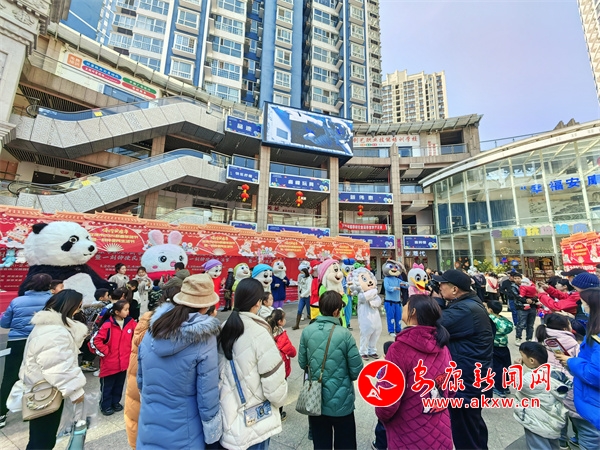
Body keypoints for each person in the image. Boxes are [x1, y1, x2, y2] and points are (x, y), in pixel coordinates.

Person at [137, 274, 223, 449]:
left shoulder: (154, 328)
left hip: (149, 421)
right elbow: (207, 394)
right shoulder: (204, 338)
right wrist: (213, 432)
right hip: (185, 427)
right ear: (206, 305)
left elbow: (141, 379)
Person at [376, 295, 453, 450]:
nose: (403, 306)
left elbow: (387, 401)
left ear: (413, 312)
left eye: (406, 304)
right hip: (440, 431)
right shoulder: (442, 346)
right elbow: (451, 388)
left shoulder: (398, 349)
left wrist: (383, 417)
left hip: (408, 434)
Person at [218, 278, 288, 450]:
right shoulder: (259, 332)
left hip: (227, 413)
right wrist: (280, 401)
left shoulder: (224, 327)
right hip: (255, 419)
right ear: (258, 302)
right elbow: (274, 382)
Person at [432, 269, 494, 450]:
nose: (439, 287)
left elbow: (434, 326)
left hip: (466, 382)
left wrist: (436, 301)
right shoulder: (469, 304)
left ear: (455, 289)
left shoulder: (465, 309)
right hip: (471, 378)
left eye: (442, 284)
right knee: (473, 427)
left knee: (465, 432)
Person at [19, 289, 87, 450]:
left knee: (40, 437)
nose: (79, 310)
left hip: (44, 388)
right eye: (78, 306)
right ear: (69, 306)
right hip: (46, 392)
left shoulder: (48, 326)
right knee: (43, 440)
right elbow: (57, 366)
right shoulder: (55, 331)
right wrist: (75, 390)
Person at [298, 291, 363, 449]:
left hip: (316, 401)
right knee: (345, 443)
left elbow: (302, 363)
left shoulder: (307, 331)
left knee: (321, 443)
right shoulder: (344, 334)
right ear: (336, 311)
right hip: (342, 402)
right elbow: (356, 370)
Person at [0, 273, 53, 427]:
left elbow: (4, 323)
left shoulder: (17, 301)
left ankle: (1, 412)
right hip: (43, 342)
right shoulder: (53, 301)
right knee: (40, 375)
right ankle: (36, 406)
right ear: (49, 285)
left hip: (18, 342)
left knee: (10, 376)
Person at [556, 288, 600, 449]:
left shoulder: (597, 338)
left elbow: (595, 374)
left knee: (590, 444)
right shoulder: (593, 331)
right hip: (592, 401)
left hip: (593, 405)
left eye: (583, 303)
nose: (582, 307)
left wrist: (571, 362)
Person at [514, 342, 569, 450]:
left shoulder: (532, 378)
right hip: (552, 420)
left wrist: (516, 367)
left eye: (522, 355)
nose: (521, 358)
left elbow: (517, 383)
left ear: (531, 360)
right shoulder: (552, 371)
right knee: (552, 445)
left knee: (537, 446)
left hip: (537, 422)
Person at [90, 300, 136, 415]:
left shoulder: (130, 323)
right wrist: (106, 352)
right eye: (125, 309)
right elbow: (96, 340)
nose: (128, 312)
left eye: (128, 309)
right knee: (107, 386)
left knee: (119, 385)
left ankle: (115, 402)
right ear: (117, 312)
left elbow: (137, 335)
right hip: (109, 364)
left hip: (124, 362)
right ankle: (105, 405)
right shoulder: (107, 325)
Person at [267, 309, 297, 422]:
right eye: (284, 319)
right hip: (281, 368)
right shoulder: (281, 335)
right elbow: (291, 351)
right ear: (280, 321)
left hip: (269, 366)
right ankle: (279, 414)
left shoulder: (267, 331)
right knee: (280, 392)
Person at [486, 299, 514, 397]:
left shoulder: (490, 319)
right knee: (505, 367)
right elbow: (509, 327)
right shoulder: (504, 319)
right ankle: (506, 386)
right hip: (504, 347)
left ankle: (499, 388)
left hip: (494, 347)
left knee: (497, 368)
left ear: (490, 310)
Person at [511, 273, 539, 344]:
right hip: (521, 307)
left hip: (532, 306)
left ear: (522, 279)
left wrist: (532, 300)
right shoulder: (514, 287)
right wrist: (527, 300)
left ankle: (529, 338)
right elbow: (517, 297)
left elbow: (536, 294)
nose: (517, 280)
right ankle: (518, 338)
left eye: (518, 278)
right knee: (521, 324)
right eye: (515, 278)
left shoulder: (531, 285)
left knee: (530, 324)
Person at [293, 263, 312, 330]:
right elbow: (300, 285)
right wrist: (300, 290)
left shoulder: (309, 279)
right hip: (302, 297)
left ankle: (311, 325)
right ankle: (297, 325)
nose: (301, 274)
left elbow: (309, 289)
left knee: (309, 312)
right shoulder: (302, 278)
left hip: (307, 297)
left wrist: (302, 294)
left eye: (302, 273)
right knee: (299, 310)